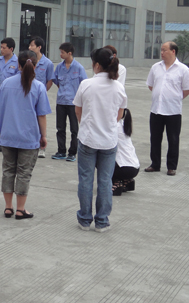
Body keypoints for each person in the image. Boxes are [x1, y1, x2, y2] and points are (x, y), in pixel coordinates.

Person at [73, 48, 127, 232]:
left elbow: (78, 111)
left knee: (86, 179)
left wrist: (86, 125)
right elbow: (120, 114)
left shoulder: (86, 84)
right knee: (105, 181)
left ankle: (85, 219)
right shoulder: (118, 87)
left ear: (96, 65)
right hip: (109, 141)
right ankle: (102, 221)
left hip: (88, 138)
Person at [0, 50, 51, 220]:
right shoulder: (39, 87)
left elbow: (1, 109)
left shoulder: (6, 84)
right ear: (35, 66)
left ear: (17, 64)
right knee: (24, 173)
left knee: (8, 170)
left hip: (8, 135)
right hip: (28, 137)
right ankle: (20, 209)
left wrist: (0, 131)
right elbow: (41, 115)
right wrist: (43, 136)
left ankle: (8, 207)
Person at [145, 41, 189, 176]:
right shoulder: (156, 67)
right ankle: (155, 164)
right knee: (155, 138)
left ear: (173, 51)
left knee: (173, 139)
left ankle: (171, 166)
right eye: (161, 50)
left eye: (164, 50)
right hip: (156, 109)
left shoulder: (183, 69)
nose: (161, 53)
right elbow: (151, 85)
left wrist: (174, 97)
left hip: (173, 111)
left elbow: (187, 89)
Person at [51, 42, 87, 162]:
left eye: (62, 52)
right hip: (61, 102)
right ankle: (61, 151)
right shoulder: (59, 67)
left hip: (73, 103)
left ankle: (72, 152)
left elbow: (84, 84)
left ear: (69, 53)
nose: (60, 54)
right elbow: (56, 81)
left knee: (74, 129)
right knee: (60, 128)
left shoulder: (78, 68)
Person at [0, 37, 19, 152]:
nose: (1, 50)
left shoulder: (17, 62)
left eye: (4, 48)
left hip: (12, 96)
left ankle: (11, 142)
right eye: (1, 47)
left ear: (11, 49)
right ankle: (1, 142)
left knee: (11, 119)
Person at [28, 36, 54, 158]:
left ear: (39, 47)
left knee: (41, 120)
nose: (30, 47)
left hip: (40, 96)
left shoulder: (47, 63)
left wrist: (42, 93)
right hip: (28, 95)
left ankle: (41, 147)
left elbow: (50, 80)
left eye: (32, 45)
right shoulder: (28, 61)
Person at [111, 109, 140, 196]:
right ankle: (127, 180)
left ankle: (116, 182)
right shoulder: (124, 124)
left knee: (99, 156)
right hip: (135, 167)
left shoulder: (114, 127)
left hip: (124, 169)